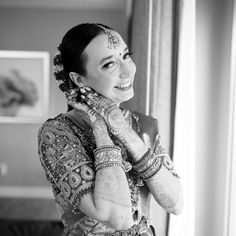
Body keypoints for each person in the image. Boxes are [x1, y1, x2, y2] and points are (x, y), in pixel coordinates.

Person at [38, 23, 183, 236]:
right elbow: (119, 218)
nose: (128, 70)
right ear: (79, 79)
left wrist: (122, 129)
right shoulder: (57, 133)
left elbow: (175, 204)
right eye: (109, 64)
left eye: (126, 56)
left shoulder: (144, 125)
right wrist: (100, 128)